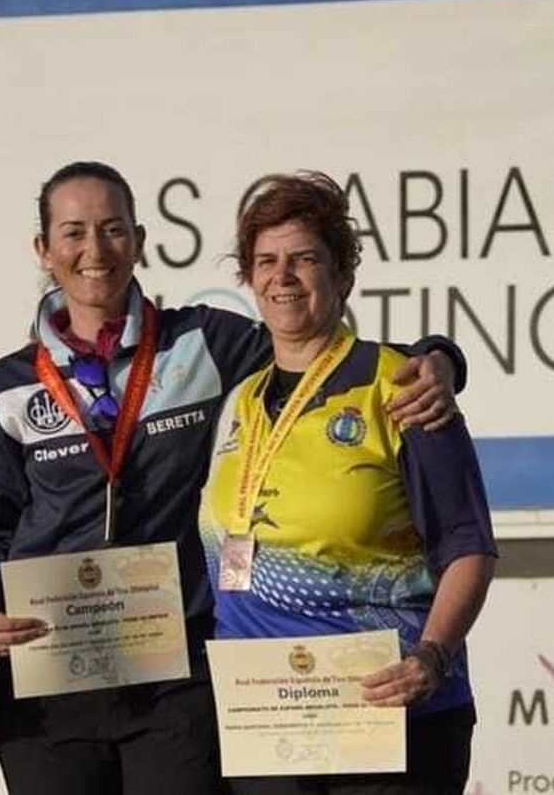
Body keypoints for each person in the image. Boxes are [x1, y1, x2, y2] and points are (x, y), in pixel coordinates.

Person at [0, 161, 468, 794]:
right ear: (44, 249)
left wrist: (440, 357)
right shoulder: (11, 382)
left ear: (140, 241)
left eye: (113, 229)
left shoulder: (206, 341)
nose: (95, 250)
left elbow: (317, 346)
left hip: (176, 682)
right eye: (74, 232)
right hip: (50, 679)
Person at [198, 171, 497, 794]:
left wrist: (432, 658)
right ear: (250, 280)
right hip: (266, 723)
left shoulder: (405, 388)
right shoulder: (239, 400)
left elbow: (467, 544)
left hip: (388, 711)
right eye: (266, 261)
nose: (283, 276)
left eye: (305, 259)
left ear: (343, 277)